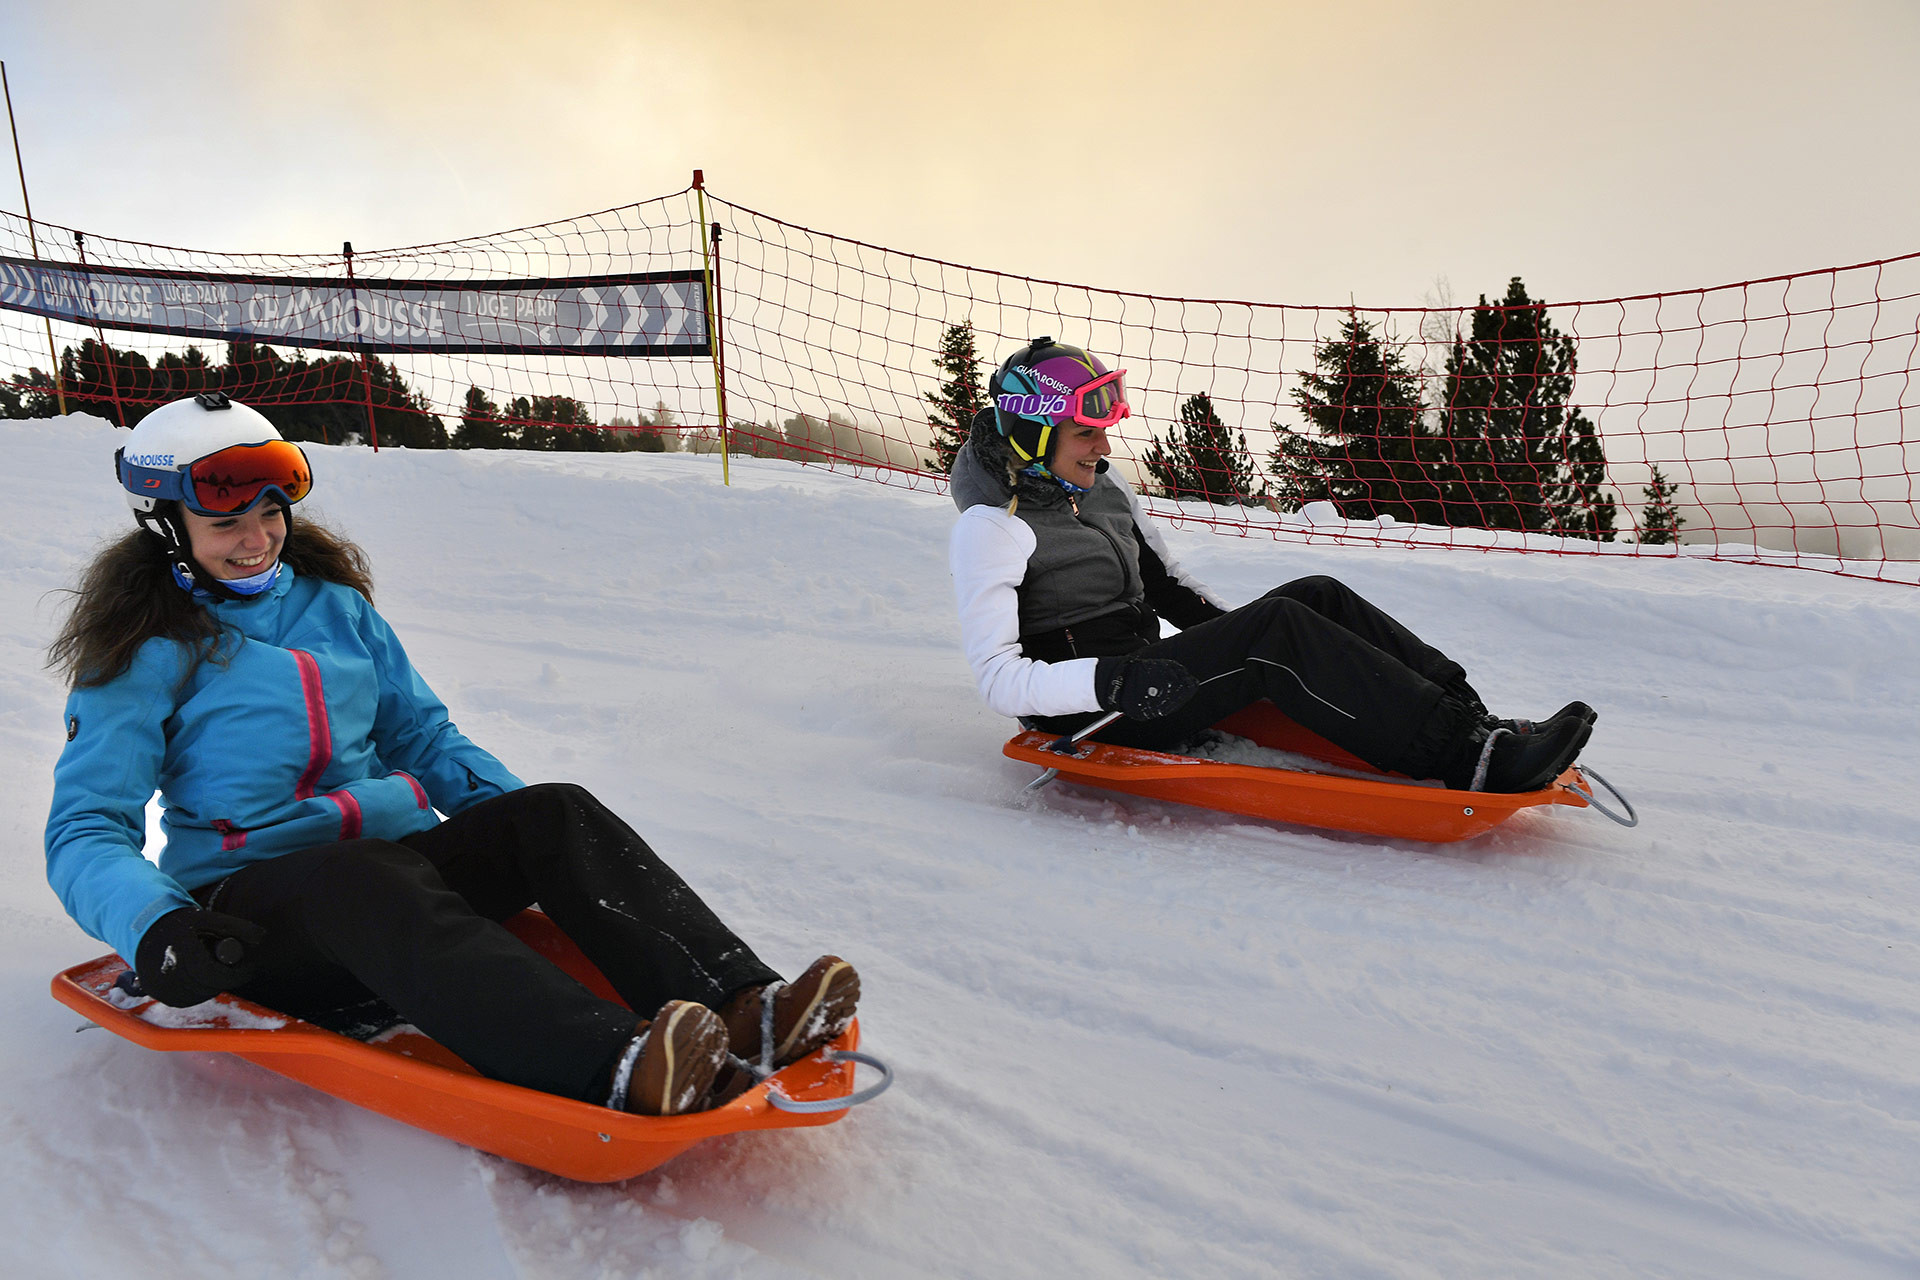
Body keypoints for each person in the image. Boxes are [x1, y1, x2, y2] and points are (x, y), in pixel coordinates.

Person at [45, 392, 859, 1117]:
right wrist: (158, 927)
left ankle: (742, 1004)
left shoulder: (336, 610)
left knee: (553, 810)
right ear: (166, 525)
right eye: (226, 523)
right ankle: (616, 1069)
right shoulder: (144, 649)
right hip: (256, 920)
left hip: (392, 878)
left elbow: (423, 738)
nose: (258, 540)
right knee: (364, 874)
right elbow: (86, 827)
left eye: (270, 514)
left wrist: (518, 832)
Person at [948, 338, 1596, 794]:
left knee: (1316, 598)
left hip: (1148, 678)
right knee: (1279, 628)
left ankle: (1472, 721)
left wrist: (1241, 646)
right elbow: (1001, 679)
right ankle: (1471, 762)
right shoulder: (992, 527)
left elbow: (1166, 586)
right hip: (1090, 708)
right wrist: (1112, 683)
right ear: (1034, 435)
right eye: (1085, 432)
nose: (1104, 444)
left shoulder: (1105, 486)